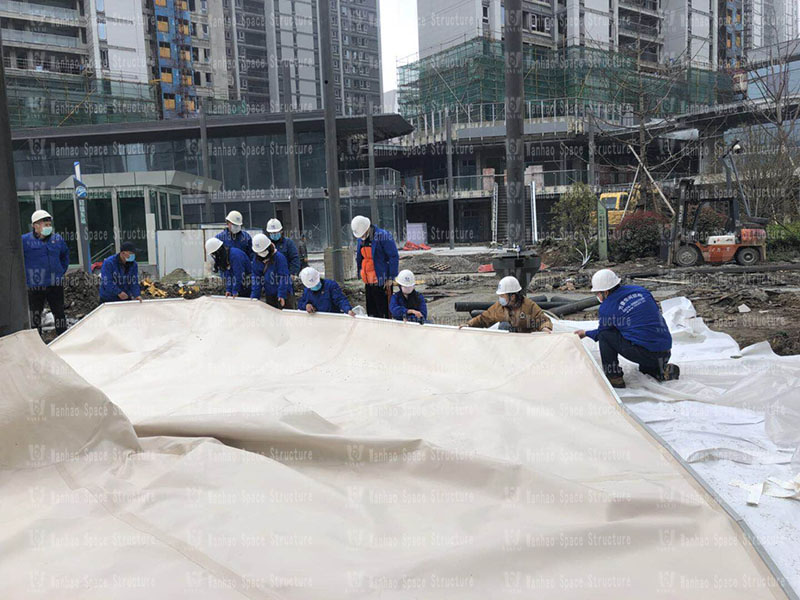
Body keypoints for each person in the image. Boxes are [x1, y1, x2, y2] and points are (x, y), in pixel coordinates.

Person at [574, 269, 680, 389]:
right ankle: (661, 370)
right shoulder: (641, 291)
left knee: (605, 334)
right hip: (665, 350)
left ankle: (614, 377)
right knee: (645, 370)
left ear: (606, 292)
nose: (597, 296)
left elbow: (602, 332)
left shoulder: (607, 307)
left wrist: (586, 333)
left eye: (598, 293)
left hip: (645, 353)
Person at [22, 209, 70, 334]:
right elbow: (17, 259)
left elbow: (65, 255)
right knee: (35, 315)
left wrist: (60, 271)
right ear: (35, 226)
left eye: (49, 225)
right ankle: (37, 342)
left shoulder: (57, 239)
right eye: (45, 225)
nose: (48, 227)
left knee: (59, 313)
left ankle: (63, 338)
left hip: (55, 283)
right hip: (35, 286)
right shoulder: (25, 241)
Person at [462, 276, 552, 333]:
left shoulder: (528, 306)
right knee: (504, 325)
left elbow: (543, 320)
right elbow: (484, 319)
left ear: (512, 296)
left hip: (525, 343)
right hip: (506, 346)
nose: (500, 298)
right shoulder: (499, 307)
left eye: (502, 295)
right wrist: (468, 324)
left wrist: (545, 328)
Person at [351, 215, 398, 319]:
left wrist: (390, 278)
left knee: (383, 313)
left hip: (382, 282)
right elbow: (360, 257)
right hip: (368, 282)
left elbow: (393, 257)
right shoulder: (361, 239)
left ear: (367, 228)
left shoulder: (383, 236)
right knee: (372, 312)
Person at [249, 233, 291, 309]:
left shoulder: (279, 258)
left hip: (284, 294)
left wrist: (281, 294)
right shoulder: (256, 260)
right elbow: (256, 279)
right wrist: (254, 297)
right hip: (270, 294)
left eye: (263, 251)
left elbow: (284, 277)